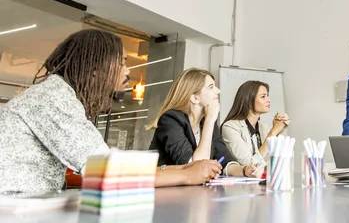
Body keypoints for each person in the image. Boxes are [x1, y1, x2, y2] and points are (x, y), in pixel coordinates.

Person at [0, 29, 221, 195]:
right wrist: (187, 174)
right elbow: (107, 170)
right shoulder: (52, 98)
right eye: (122, 62)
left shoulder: (59, 95)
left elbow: (100, 165)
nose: (128, 71)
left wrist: (185, 168)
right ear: (96, 66)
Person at [147, 68, 263, 178]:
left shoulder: (206, 121)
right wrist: (210, 121)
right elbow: (195, 169)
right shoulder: (170, 120)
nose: (218, 91)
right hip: (164, 194)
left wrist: (244, 170)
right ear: (194, 98)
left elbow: (223, 160)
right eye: (211, 87)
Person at [220, 80, 290, 165]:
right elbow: (250, 164)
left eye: (267, 96)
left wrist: (279, 132)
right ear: (249, 101)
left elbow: (278, 162)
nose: (269, 100)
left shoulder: (264, 127)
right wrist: (273, 132)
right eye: (263, 96)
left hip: (264, 178)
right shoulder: (230, 127)